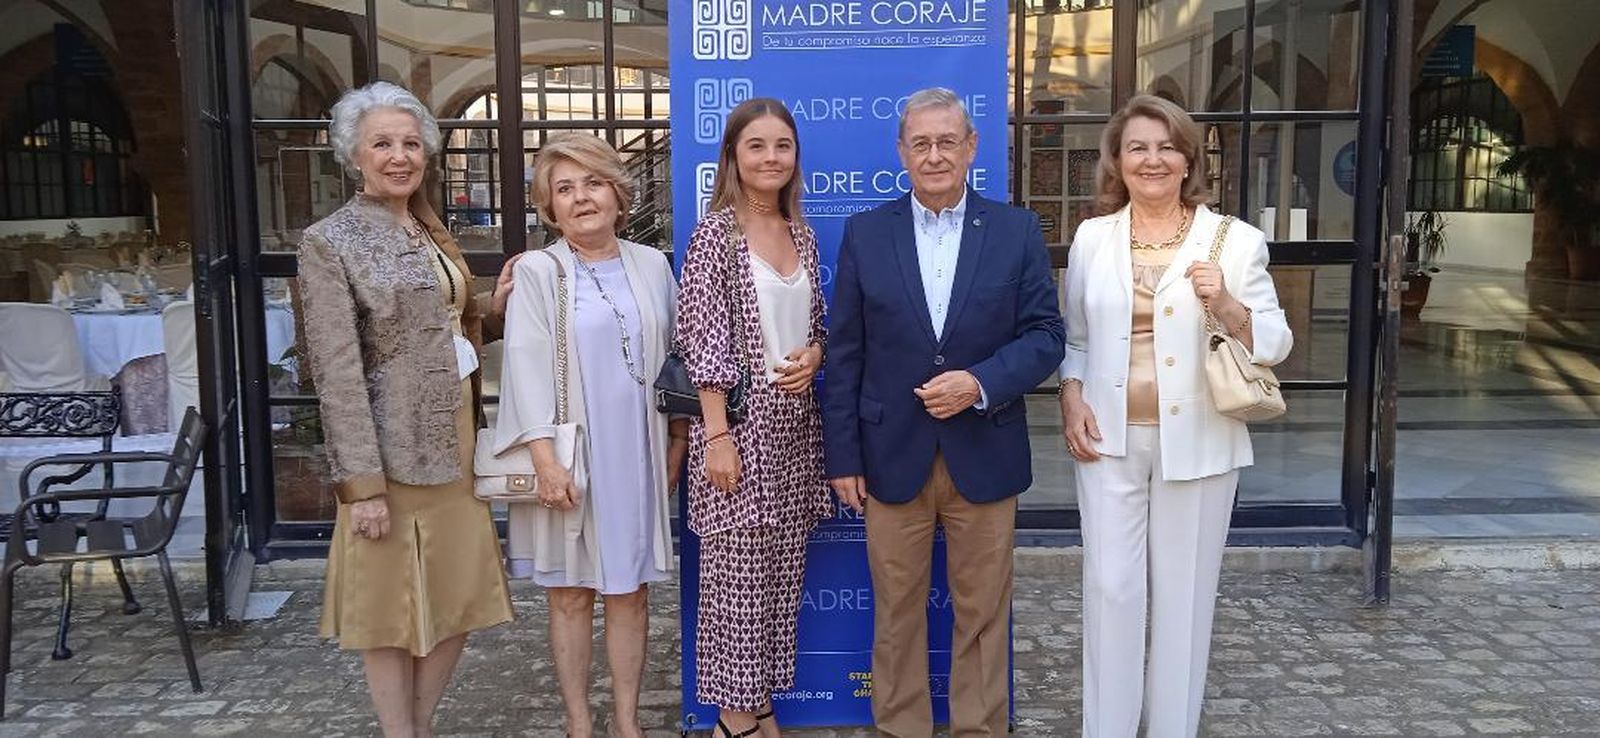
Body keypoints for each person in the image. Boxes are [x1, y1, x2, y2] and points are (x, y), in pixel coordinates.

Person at [822, 87, 1065, 738]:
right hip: (888, 456)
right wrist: (842, 455)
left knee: (982, 611)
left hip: (985, 450)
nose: (934, 155)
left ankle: (978, 729)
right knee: (896, 608)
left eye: (947, 141)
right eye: (921, 143)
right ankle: (900, 727)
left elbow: (1046, 336)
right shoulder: (867, 233)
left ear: (971, 147)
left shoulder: (1016, 231)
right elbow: (844, 352)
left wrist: (980, 383)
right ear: (901, 151)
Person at [1057, 94, 1292, 738]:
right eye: (1137, 147)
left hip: (1201, 441)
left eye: (1166, 147)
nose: (1152, 159)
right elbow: (1074, 336)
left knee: (1184, 596)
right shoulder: (1093, 237)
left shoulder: (1235, 240)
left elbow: (1275, 342)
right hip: (1106, 439)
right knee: (1110, 589)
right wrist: (1070, 395)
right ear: (1117, 161)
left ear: (1189, 159)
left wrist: (1231, 303)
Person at [299, 81, 513, 737]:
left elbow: (445, 329)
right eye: (383, 144)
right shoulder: (328, 241)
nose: (399, 156)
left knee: (460, 598)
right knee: (386, 610)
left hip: (453, 441)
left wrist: (496, 309)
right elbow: (335, 371)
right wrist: (360, 485)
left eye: (411, 143)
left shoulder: (426, 225)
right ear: (354, 156)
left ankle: (418, 727)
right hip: (385, 453)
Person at [490, 133, 686, 738]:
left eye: (593, 183)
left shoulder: (653, 265)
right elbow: (523, 366)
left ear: (618, 193)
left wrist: (677, 442)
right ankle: (580, 723)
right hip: (568, 456)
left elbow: (678, 360)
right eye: (565, 189)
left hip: (638, 452)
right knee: (571, 595)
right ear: (549, 206)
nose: (581, 198)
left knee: (630, 593)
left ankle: (627, 721)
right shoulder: (539, 271)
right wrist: (545, 461)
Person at [675, 97, 831, 738]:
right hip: (737, 429)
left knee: (777, 584)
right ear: (734, 157)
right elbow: (701, 338)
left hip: (796, 429)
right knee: (734, 588)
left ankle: (759, 706)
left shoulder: (802, 232)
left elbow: (816, 321)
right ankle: (733, 724)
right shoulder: (716, 233)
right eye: (757, 145)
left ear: (795, 158)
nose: (771, 158)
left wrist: (816, 351)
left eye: (782, 146)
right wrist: (716, 436)